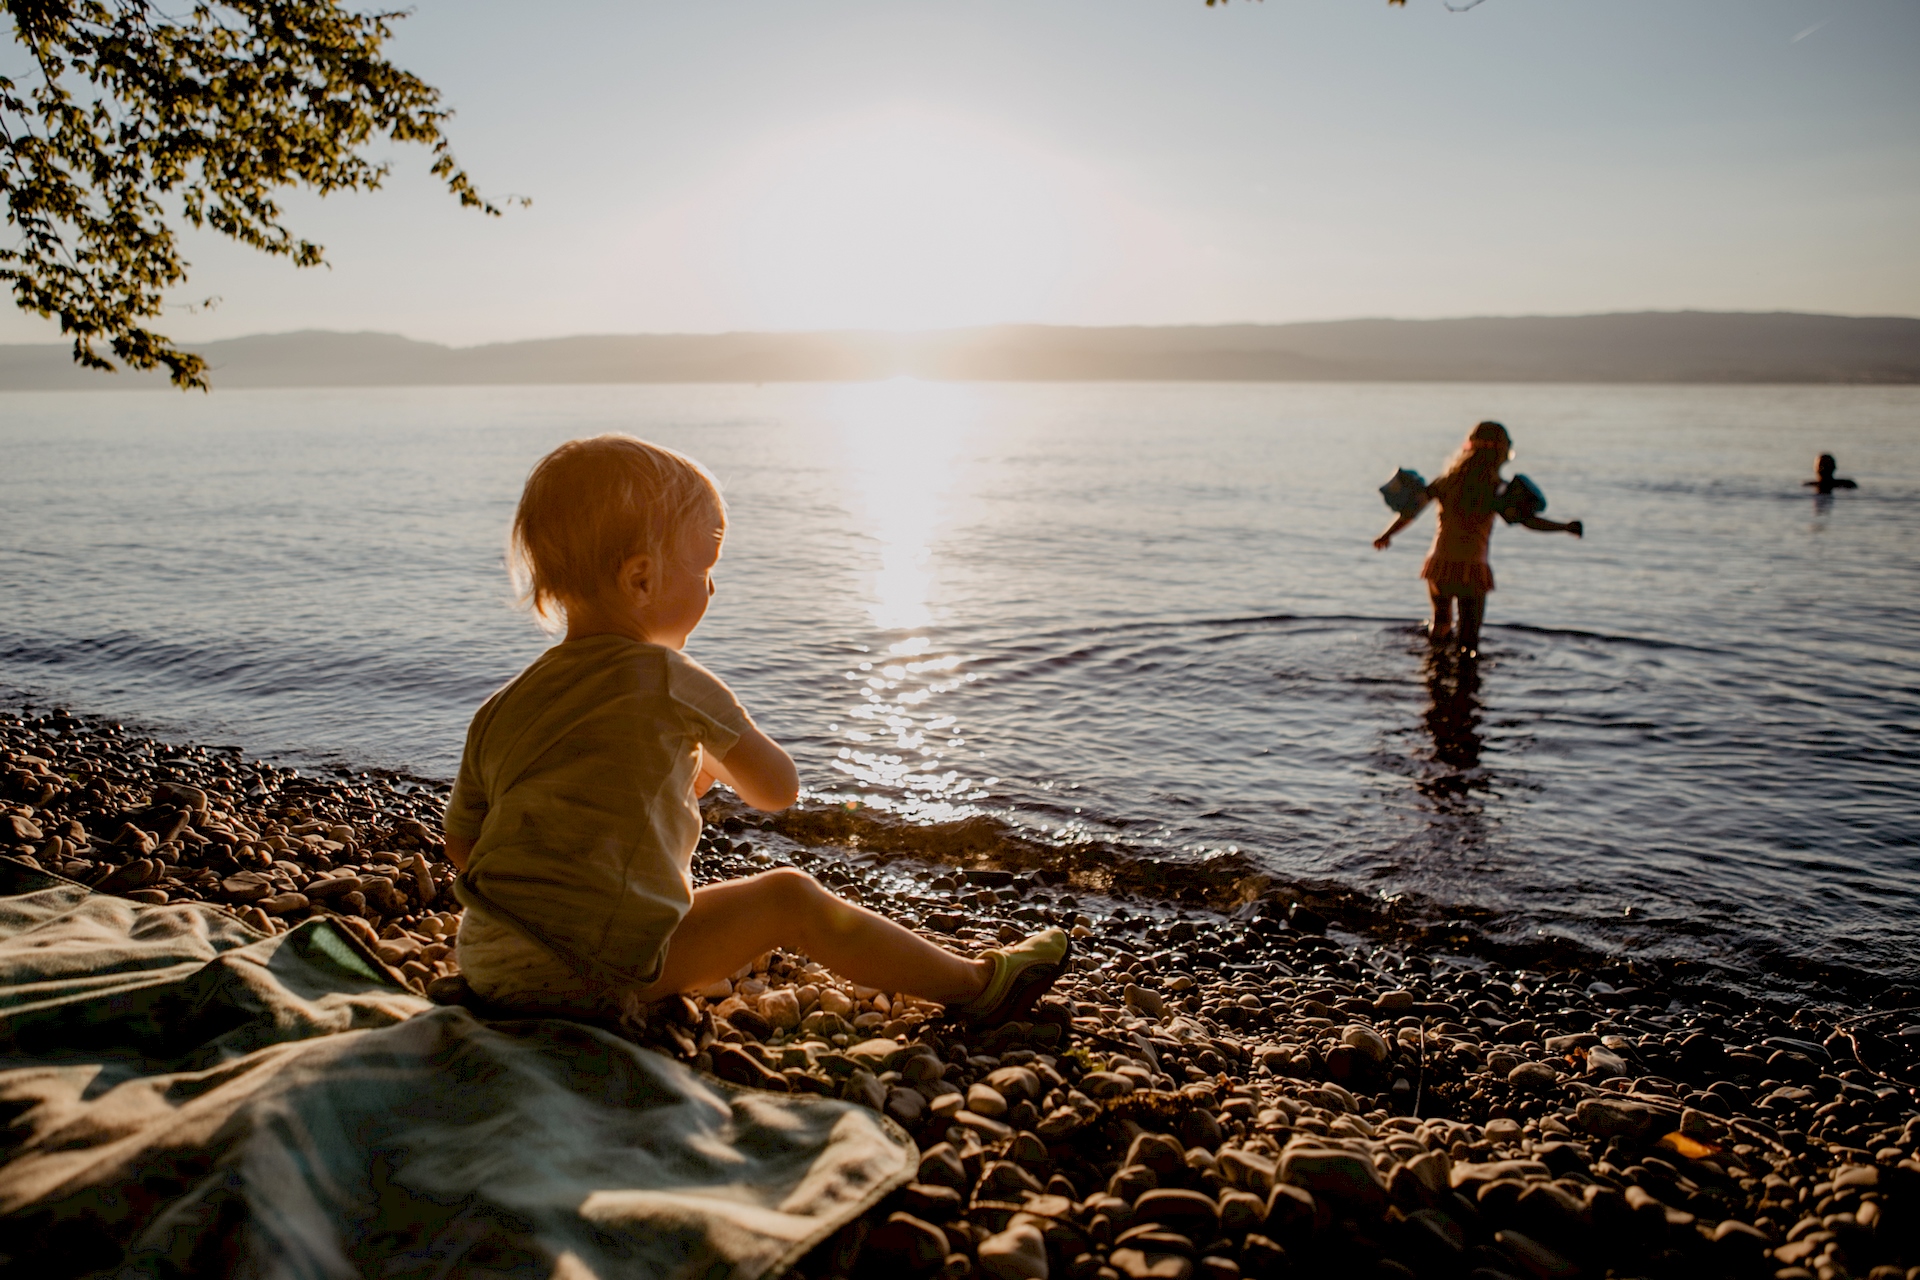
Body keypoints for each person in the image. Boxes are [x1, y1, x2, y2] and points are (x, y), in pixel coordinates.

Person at [441, 434, 1068, 1032]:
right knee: (790, 898)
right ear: (641, 580)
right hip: (593, 974)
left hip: (490, 965)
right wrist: (715, 762)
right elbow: (777, 789)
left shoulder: (501, 706)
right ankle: (979, 984)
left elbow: (465, 848)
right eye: (706, 566)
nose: (713, 585)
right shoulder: (671, 680)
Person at [1372, 421, 1583, 655]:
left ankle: (1434, 672)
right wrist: (1564, 527)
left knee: (1440, 624)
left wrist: (1386, 534)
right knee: (1469, 638)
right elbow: (1528, 521)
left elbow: (1410, 512)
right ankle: (1466, 683)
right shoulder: (1496, 488)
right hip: (1472, 568)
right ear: (1500, 453)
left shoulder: (1446, 481)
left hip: (1439, 565)